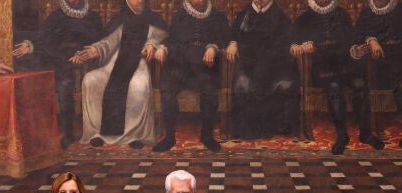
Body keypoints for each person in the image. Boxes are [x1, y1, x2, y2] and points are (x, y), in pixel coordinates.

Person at [69, 0, 167, 149]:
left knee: (139, 86)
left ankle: (135, 135)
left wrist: (155, 45)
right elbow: (108, 42)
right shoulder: (119, 18)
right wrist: (97, 50)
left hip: (139, 66)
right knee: (90, 80)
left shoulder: (154, 18)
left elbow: (163, 37)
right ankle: (98, 133)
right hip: (113, 64)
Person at [290, 0, 385, 154]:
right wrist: (301, 46)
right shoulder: (305, 18)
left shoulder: (342, 14)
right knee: (334, 86)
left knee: (360, 84)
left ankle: (366, 134)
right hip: (321, 68)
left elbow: (352, 40)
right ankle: (342, 136)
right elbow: (293, 41)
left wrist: (357, 49)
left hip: (344, 65)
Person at [12, 0, 103, 149]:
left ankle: (79, 131)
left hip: (85, 65)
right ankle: (61, 132)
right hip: (58, 62)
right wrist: (31, 45)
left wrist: (82, 53)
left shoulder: (93, 17)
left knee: (69, 82)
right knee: (59, 82)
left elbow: (99, 42)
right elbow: (42, 38)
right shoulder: (56, 15)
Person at [152, 0, 230, 153]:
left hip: (206, 67)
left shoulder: (217, 17)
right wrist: (163, 48)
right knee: (167, 88)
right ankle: (169, 137)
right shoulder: (179, 16)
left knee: (210, 90)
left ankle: (207, 136)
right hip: (181, 66)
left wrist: (213, 48)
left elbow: (225, 39)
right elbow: (172, 40)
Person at [227, 0, 298, 140]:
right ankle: (248, 129)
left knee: (277, 85)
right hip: (248, 63)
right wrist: (233, 43)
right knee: (243, 84)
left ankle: (269, 127)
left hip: (274, 65)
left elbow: (290, 38)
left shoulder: (279, 15)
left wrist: (293, 45)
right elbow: (234, 33)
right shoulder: (245, 13)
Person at [352, 0, 402, 148]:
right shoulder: (367, 10)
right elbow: (358, 34)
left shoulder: (399, 9)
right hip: (375, 60)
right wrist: (371, 40)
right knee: (365, 85)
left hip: (398, 58)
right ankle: (372, 130)